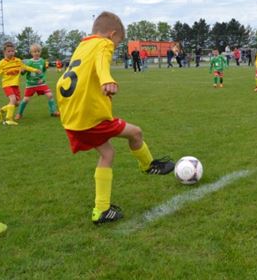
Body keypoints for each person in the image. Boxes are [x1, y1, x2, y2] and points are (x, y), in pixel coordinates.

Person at [55, 11, 175, 225]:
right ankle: (148, 166)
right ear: (111, 35)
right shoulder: (103, 44)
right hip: (89, 117)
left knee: (107, 153)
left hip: (71, 116)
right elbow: (102, 62)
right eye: (118, 43)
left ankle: (101, 210)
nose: (115, 47)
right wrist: (107, 80)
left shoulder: (82, 46)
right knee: (136, 133)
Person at [0, 41, 42, 126]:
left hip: (15, 85)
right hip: (7, 85)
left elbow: (25, 67)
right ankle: (9, 119)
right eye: (9, 51)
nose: (11, 53)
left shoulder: (17, 61)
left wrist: (35, 70)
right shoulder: (1, 64)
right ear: (4, 52)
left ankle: (2, 110)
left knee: (16, 103)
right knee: (13, 100)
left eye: (12, 51)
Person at [15, 43, 60, 120]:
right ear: (31, 53)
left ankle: (54, 111)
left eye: (38, 51)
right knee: (26, 99)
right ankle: (19, 114)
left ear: (40, 52)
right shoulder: (29, 62)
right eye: (34, 52)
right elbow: (23, 73)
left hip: (41, 83)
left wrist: (43, 79)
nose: (36, 53)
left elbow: (44, 71)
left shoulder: (42, 61)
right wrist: (22, 71)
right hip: (31, 84)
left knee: (50, 95)